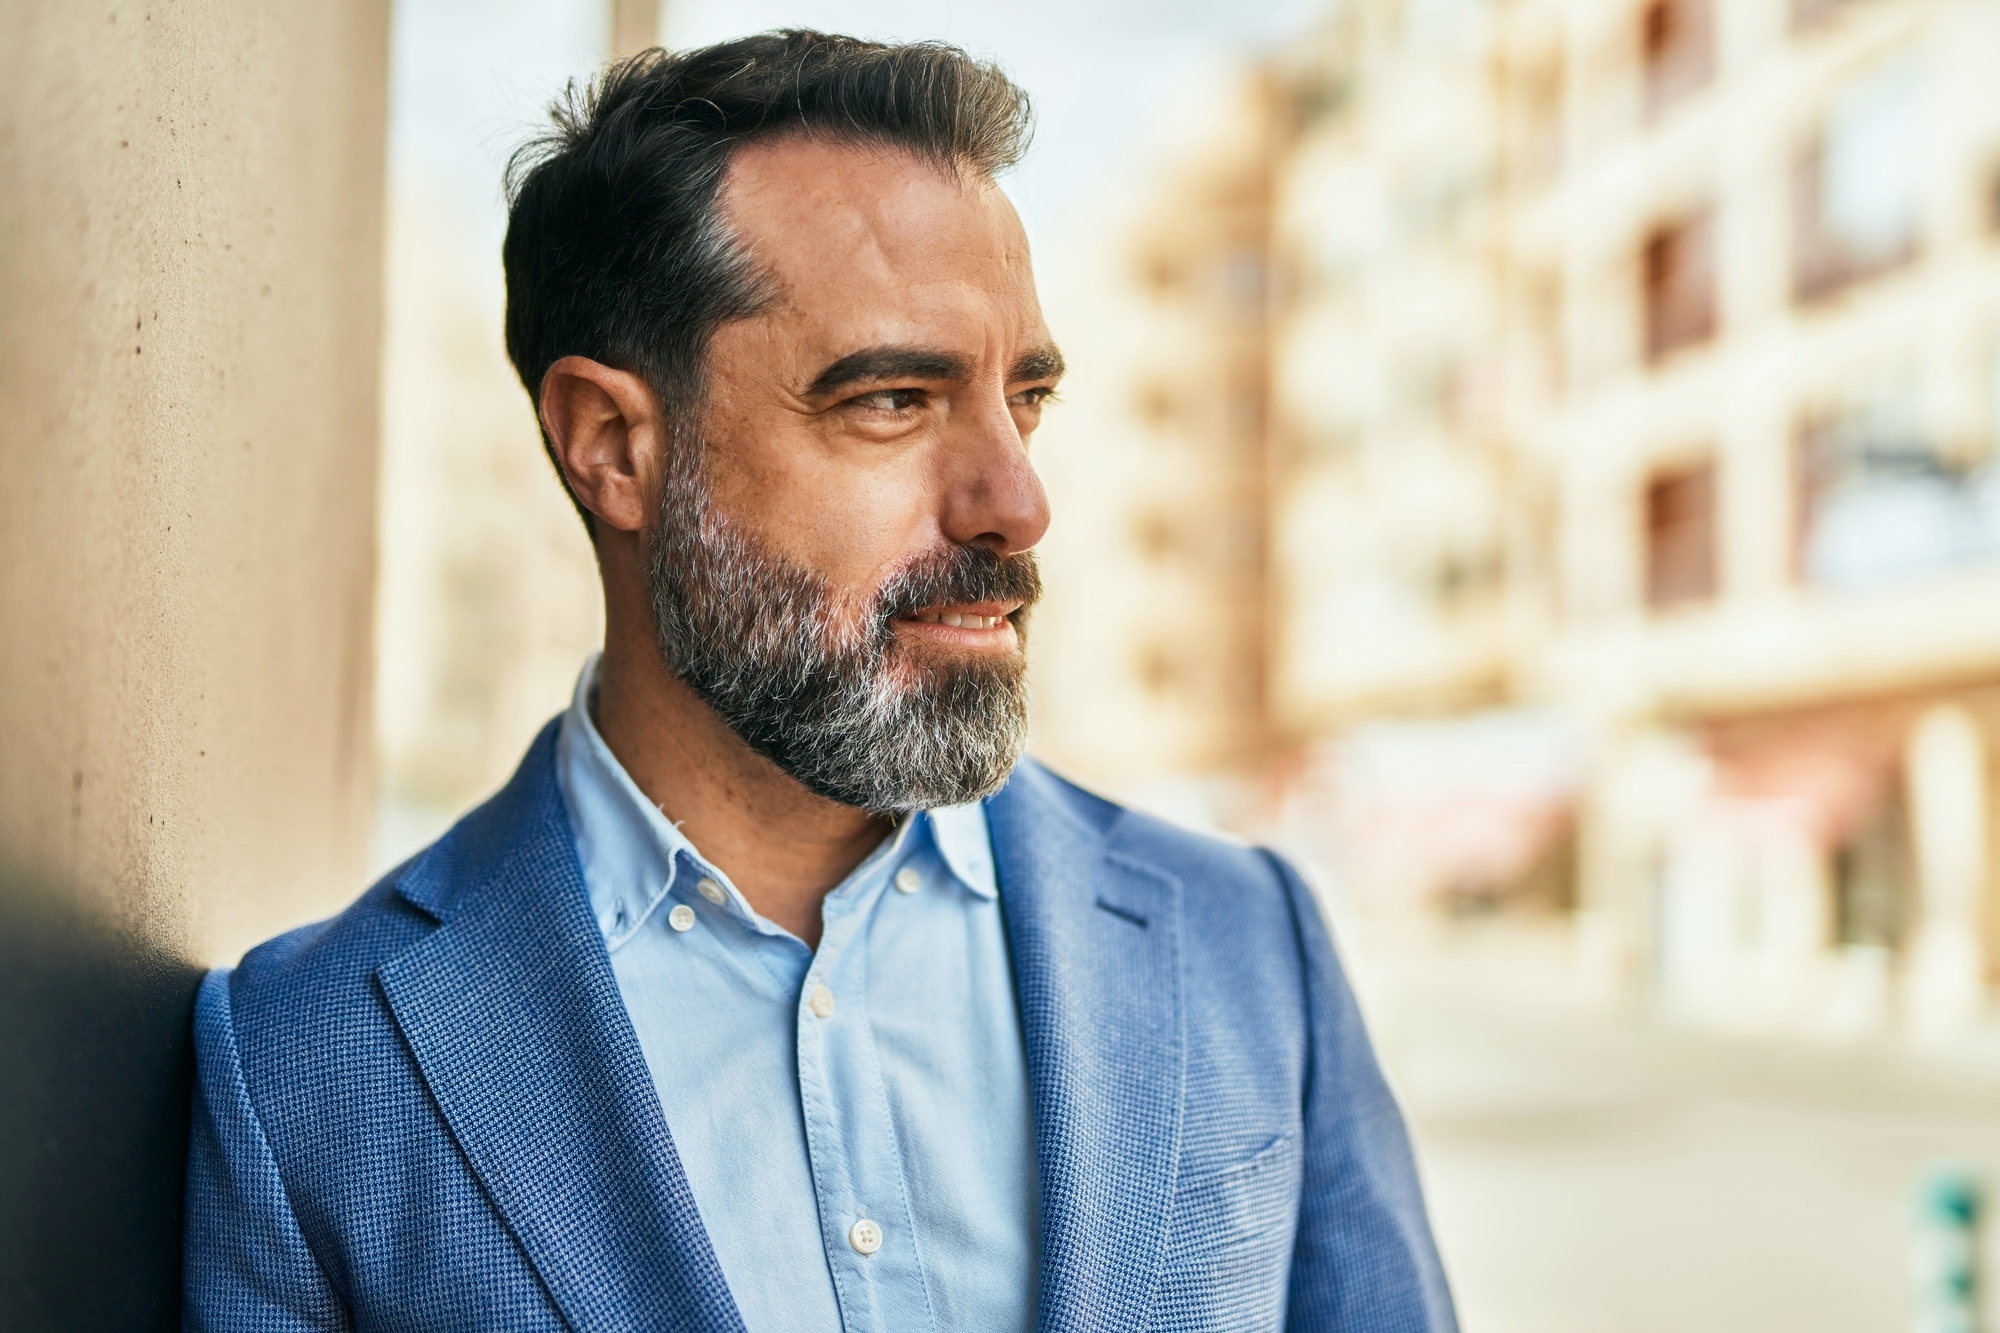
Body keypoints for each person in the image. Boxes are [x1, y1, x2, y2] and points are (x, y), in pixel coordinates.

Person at [183, 31, 1456, 1332]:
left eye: (1026, 400)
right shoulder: (305, 1071)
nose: (1017, 500)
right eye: (895, 401)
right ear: (613, 444)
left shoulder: (1251, 948)